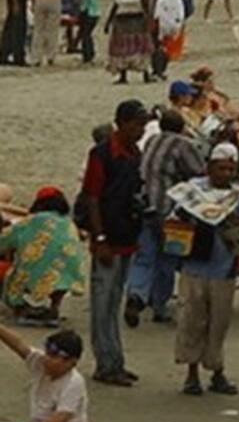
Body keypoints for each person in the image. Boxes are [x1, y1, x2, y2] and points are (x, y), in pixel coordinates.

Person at [171, 142, 239, 397]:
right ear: (209, 168)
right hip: (194, 266)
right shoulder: (192, 190)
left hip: (223, 268)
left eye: (230, 169)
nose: (226, 174)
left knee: (219, 323)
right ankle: (192, 374)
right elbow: (175, 218)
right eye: (221, 169)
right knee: (191, 320)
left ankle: (217, 370)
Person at [82, 99, 148, 386]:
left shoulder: (134, 153)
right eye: (137, 124)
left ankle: (114, 360)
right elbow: (92, 197)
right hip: (108, 239)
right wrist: (99, 238)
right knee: (102, 304)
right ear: (122, 123)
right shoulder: (103, 154)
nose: (141, 129)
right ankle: (106, 364)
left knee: (112, 303)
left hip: (126, 237)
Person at [124, 109, 204, 328]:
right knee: (167, 259)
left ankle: (137, 295)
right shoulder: (183, 145)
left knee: (144, 256)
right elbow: (199, 172)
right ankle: (160, 307)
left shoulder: (151, 141)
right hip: (169, 210)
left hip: (145, 205)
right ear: (180, 126)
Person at [0, 325, 109, 422]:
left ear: (71, 362)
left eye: (55, 356)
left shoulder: (74, 382)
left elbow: (59, 419)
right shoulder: (40, 364)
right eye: (48, 354)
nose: (47, 359)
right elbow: (18, 345)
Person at [0, 187, 87, 324]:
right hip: (69, 273)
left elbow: (4, 240)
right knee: (58, 272)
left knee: (13, 273)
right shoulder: (68, 223)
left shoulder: (31, 221)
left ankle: (21, 309)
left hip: (38, 272)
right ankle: (54, 307)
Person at [105, 0, 154, 84]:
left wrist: (149, 21)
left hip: (137, 22)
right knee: (122, 49)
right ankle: (123, 75)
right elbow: (115, 7)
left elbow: (147, 7)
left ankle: (146, 74)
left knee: (141, 47)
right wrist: (108, 22)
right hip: (121, 23)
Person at [70, 0, 102, 66]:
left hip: (88, 13)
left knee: (85, 35)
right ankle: (89, 53)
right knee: (87, 34)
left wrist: (78, 12)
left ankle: (87, 55)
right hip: (96, 13)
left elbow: (84, 3)